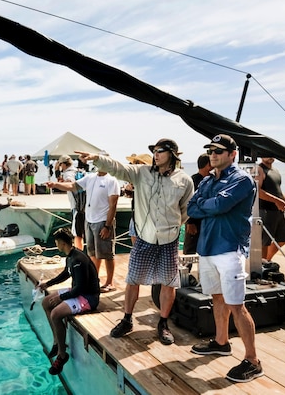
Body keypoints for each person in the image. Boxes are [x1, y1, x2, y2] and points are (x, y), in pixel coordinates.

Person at [76, 138, 194, 346]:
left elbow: (185, 210)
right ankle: (127, 319)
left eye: (160, 151)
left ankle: (163, 324)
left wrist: (173, 227)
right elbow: (118, 168)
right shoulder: (141, 173)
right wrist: (97, 159)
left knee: (168, 283)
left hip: (169, 240)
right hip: (144, 238)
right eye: (154, 151)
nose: (155, 155)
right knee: (132, 280)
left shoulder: (184, 180)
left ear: (173, 155)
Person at [187, 134, 262, 383]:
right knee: (217, 298)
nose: (213, 155)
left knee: (236, 305)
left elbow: (220, 205)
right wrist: (212, 205)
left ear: (233, 154)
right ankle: (222, 341)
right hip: (208, 248)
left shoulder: (242, 179)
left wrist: (208, 205)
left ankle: (252, 360)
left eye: (219, 151)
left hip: (230, 249)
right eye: (211, 151)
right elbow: (191, 208)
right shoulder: (208, 180)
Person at [37, 227, 101, 376]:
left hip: (88, 298)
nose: (56, 244)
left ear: (61, 243)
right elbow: (66, 273)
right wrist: (48, 284)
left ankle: (62, 355)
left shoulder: (78, 259)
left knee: (55, 314)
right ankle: (56, 341)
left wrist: (61, 297)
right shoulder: (70, 256)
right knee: (46, 302)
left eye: (56, 242)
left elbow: (81, 288)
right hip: (78, 292)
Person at [47, 169, 120, 291]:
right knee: (92, 252)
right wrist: (55, 185)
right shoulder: (90, 177)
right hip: (89, 220)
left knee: (107, 254)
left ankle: (109, 282)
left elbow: (113, 205)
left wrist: (107, 226)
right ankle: (94, 279)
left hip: (102, 220)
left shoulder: (112, 181)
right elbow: (72, 186)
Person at [255, 157, 285, 261]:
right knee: (264, 242)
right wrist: (277, 201)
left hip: (279, 210)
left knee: (283, 240)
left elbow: (278, 191)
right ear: (261, 156)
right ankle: (262, 266)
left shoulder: (275, 171)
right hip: (265, 211)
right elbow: (257, 191)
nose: (270, 156)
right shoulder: (259, 169)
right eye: (266, 154)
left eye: (271, 154)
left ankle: (267, 261)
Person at [54, 155, 85, 250]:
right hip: (84, 205)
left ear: (63, 164)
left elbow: (69, 183)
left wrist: (56, 184)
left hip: (76, 206)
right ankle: (81, 253)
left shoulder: (68, 173)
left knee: (77, 233)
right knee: (81, 232)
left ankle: (78, 254)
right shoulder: (78, 171)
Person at [183, 153, 211, 255]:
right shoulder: (193, 180)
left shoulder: (211, 180)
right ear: (208, 165)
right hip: (194, 220)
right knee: (191, 248)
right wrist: (190, 222)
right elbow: (188, 201)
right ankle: (186, 269)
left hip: (206, 220)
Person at [122, 153, 153, 245]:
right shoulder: (136, 179)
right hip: (136, 216)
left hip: (147, 219)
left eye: (137, 163)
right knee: (136, 248)